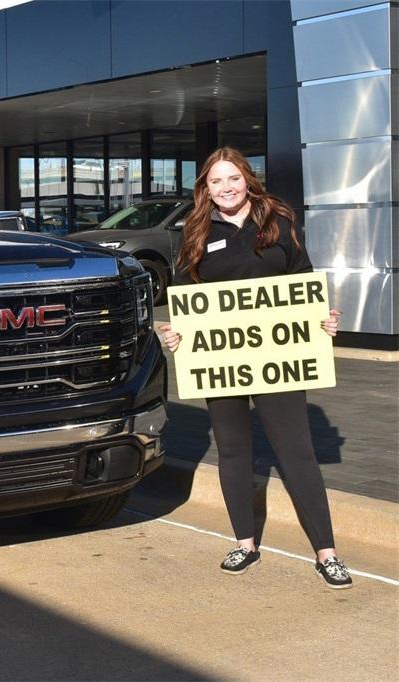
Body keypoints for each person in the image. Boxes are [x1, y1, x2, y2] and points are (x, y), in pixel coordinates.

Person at [158, 147, 352, 589]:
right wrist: (176, 333)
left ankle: (327, 553)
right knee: (232, 450)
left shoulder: (277, 222)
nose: (226, 188)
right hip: (221, 360)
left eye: (233, 179)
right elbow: (187, 295)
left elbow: (303, 280)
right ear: (205, 188)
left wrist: (322, 318)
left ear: (248, 179)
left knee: (296, 452)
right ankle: (245, 543)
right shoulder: (196, 231)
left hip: (277, 359)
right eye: (216, 182)